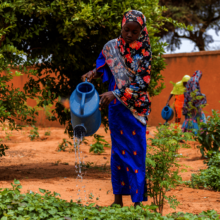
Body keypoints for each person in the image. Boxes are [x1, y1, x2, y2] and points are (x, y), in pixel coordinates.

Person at [81, 10, 151, 207]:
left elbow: (142, 83)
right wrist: (93, 73)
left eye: (134, 31)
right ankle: (117, 200)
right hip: (116, 110)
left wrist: (116, 94)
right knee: (118, 152)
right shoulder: (111, 47)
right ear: (121, 27)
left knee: (137, 151)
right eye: (126, 30)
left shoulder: (144, 51)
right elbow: (105, 65)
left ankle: (137, 203)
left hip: (136, 109)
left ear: (141, 31)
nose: (129, 34)